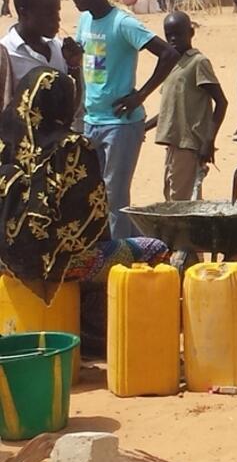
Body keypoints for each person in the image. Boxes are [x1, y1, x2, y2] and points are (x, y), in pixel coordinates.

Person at [0, 68, 168, 295]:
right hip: (55, 264)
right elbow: (95, 213)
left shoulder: (6, 142)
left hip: (5, 259)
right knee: (155, 249)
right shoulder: (72, 147)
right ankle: (97, 313)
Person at [71, 0, 178, 238]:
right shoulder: (84, 21)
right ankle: (141, 246)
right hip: (91, 120)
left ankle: (117, 258)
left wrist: (141, 95)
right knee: (96, 193)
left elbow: (168, 54)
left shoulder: (122, 23)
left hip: (120, 123)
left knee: (115, 196)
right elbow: (87, 62)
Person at [146, 11, 227, 202]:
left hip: (189, 143)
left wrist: (209, 141)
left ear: (191, 32)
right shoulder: (171, 64)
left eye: (178, 34)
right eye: (169, 35)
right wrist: (144, 127)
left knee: (180, 202)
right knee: (171, 195)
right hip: (173, 143)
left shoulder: (198, 62)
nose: (173, 39)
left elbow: (221, 102)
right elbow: (169, 110)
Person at [3, 0, 81, 99]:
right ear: (24, 13)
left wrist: (73, 66)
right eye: (49, 14)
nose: (58, 19)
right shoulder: (6, 55)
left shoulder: (58, 48)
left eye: (57, 12)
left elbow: (71, 101)